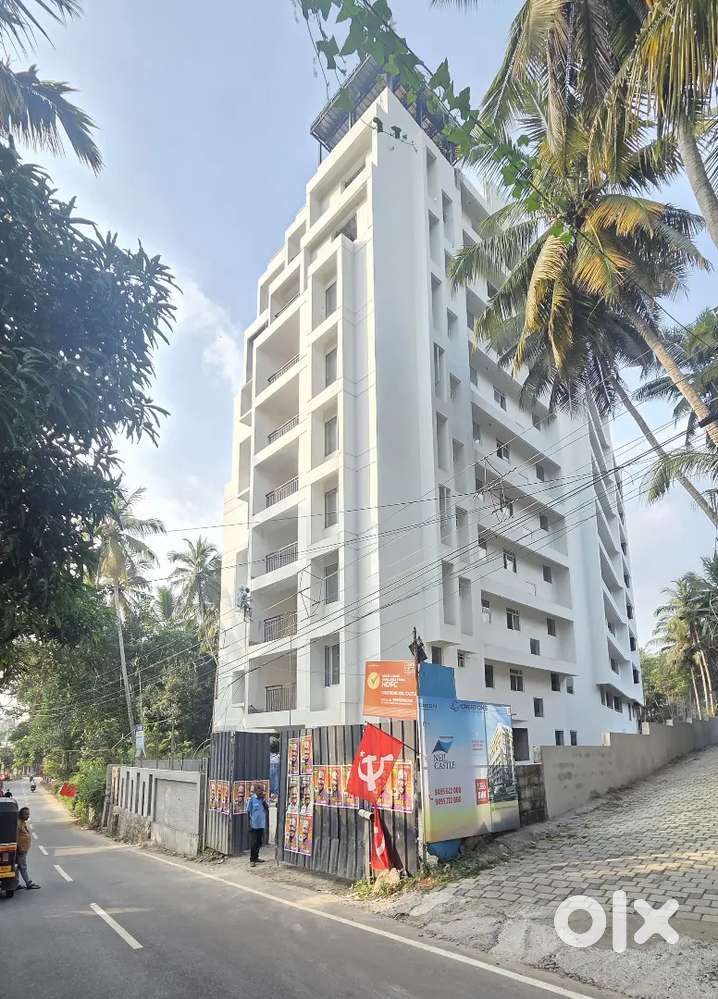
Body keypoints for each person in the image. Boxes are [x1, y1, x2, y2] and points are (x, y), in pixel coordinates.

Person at [245, 782, 269, 868]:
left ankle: (256, 857)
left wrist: (263, 800)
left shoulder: (262, 800)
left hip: (261, 825)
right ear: (256, 791)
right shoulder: (252, 799)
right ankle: (252, 860)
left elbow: (267, 808)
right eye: (260, 790)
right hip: (254, 825)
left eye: (262, 790)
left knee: (259, 842)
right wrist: (248, 824)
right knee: (254, 843)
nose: (261, 792)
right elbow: (248, 812)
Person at [16, 807, 40, 890]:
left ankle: (16, 884)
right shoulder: (18, 824)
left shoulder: (22, 822)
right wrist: (19, 847)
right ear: (21, 814)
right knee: (22, 866)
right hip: (20, 849)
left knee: (18, 867)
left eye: (28, 814)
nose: (28, 816)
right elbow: (16, 837)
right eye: (26, 814)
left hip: (23, 849)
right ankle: (28, 883)